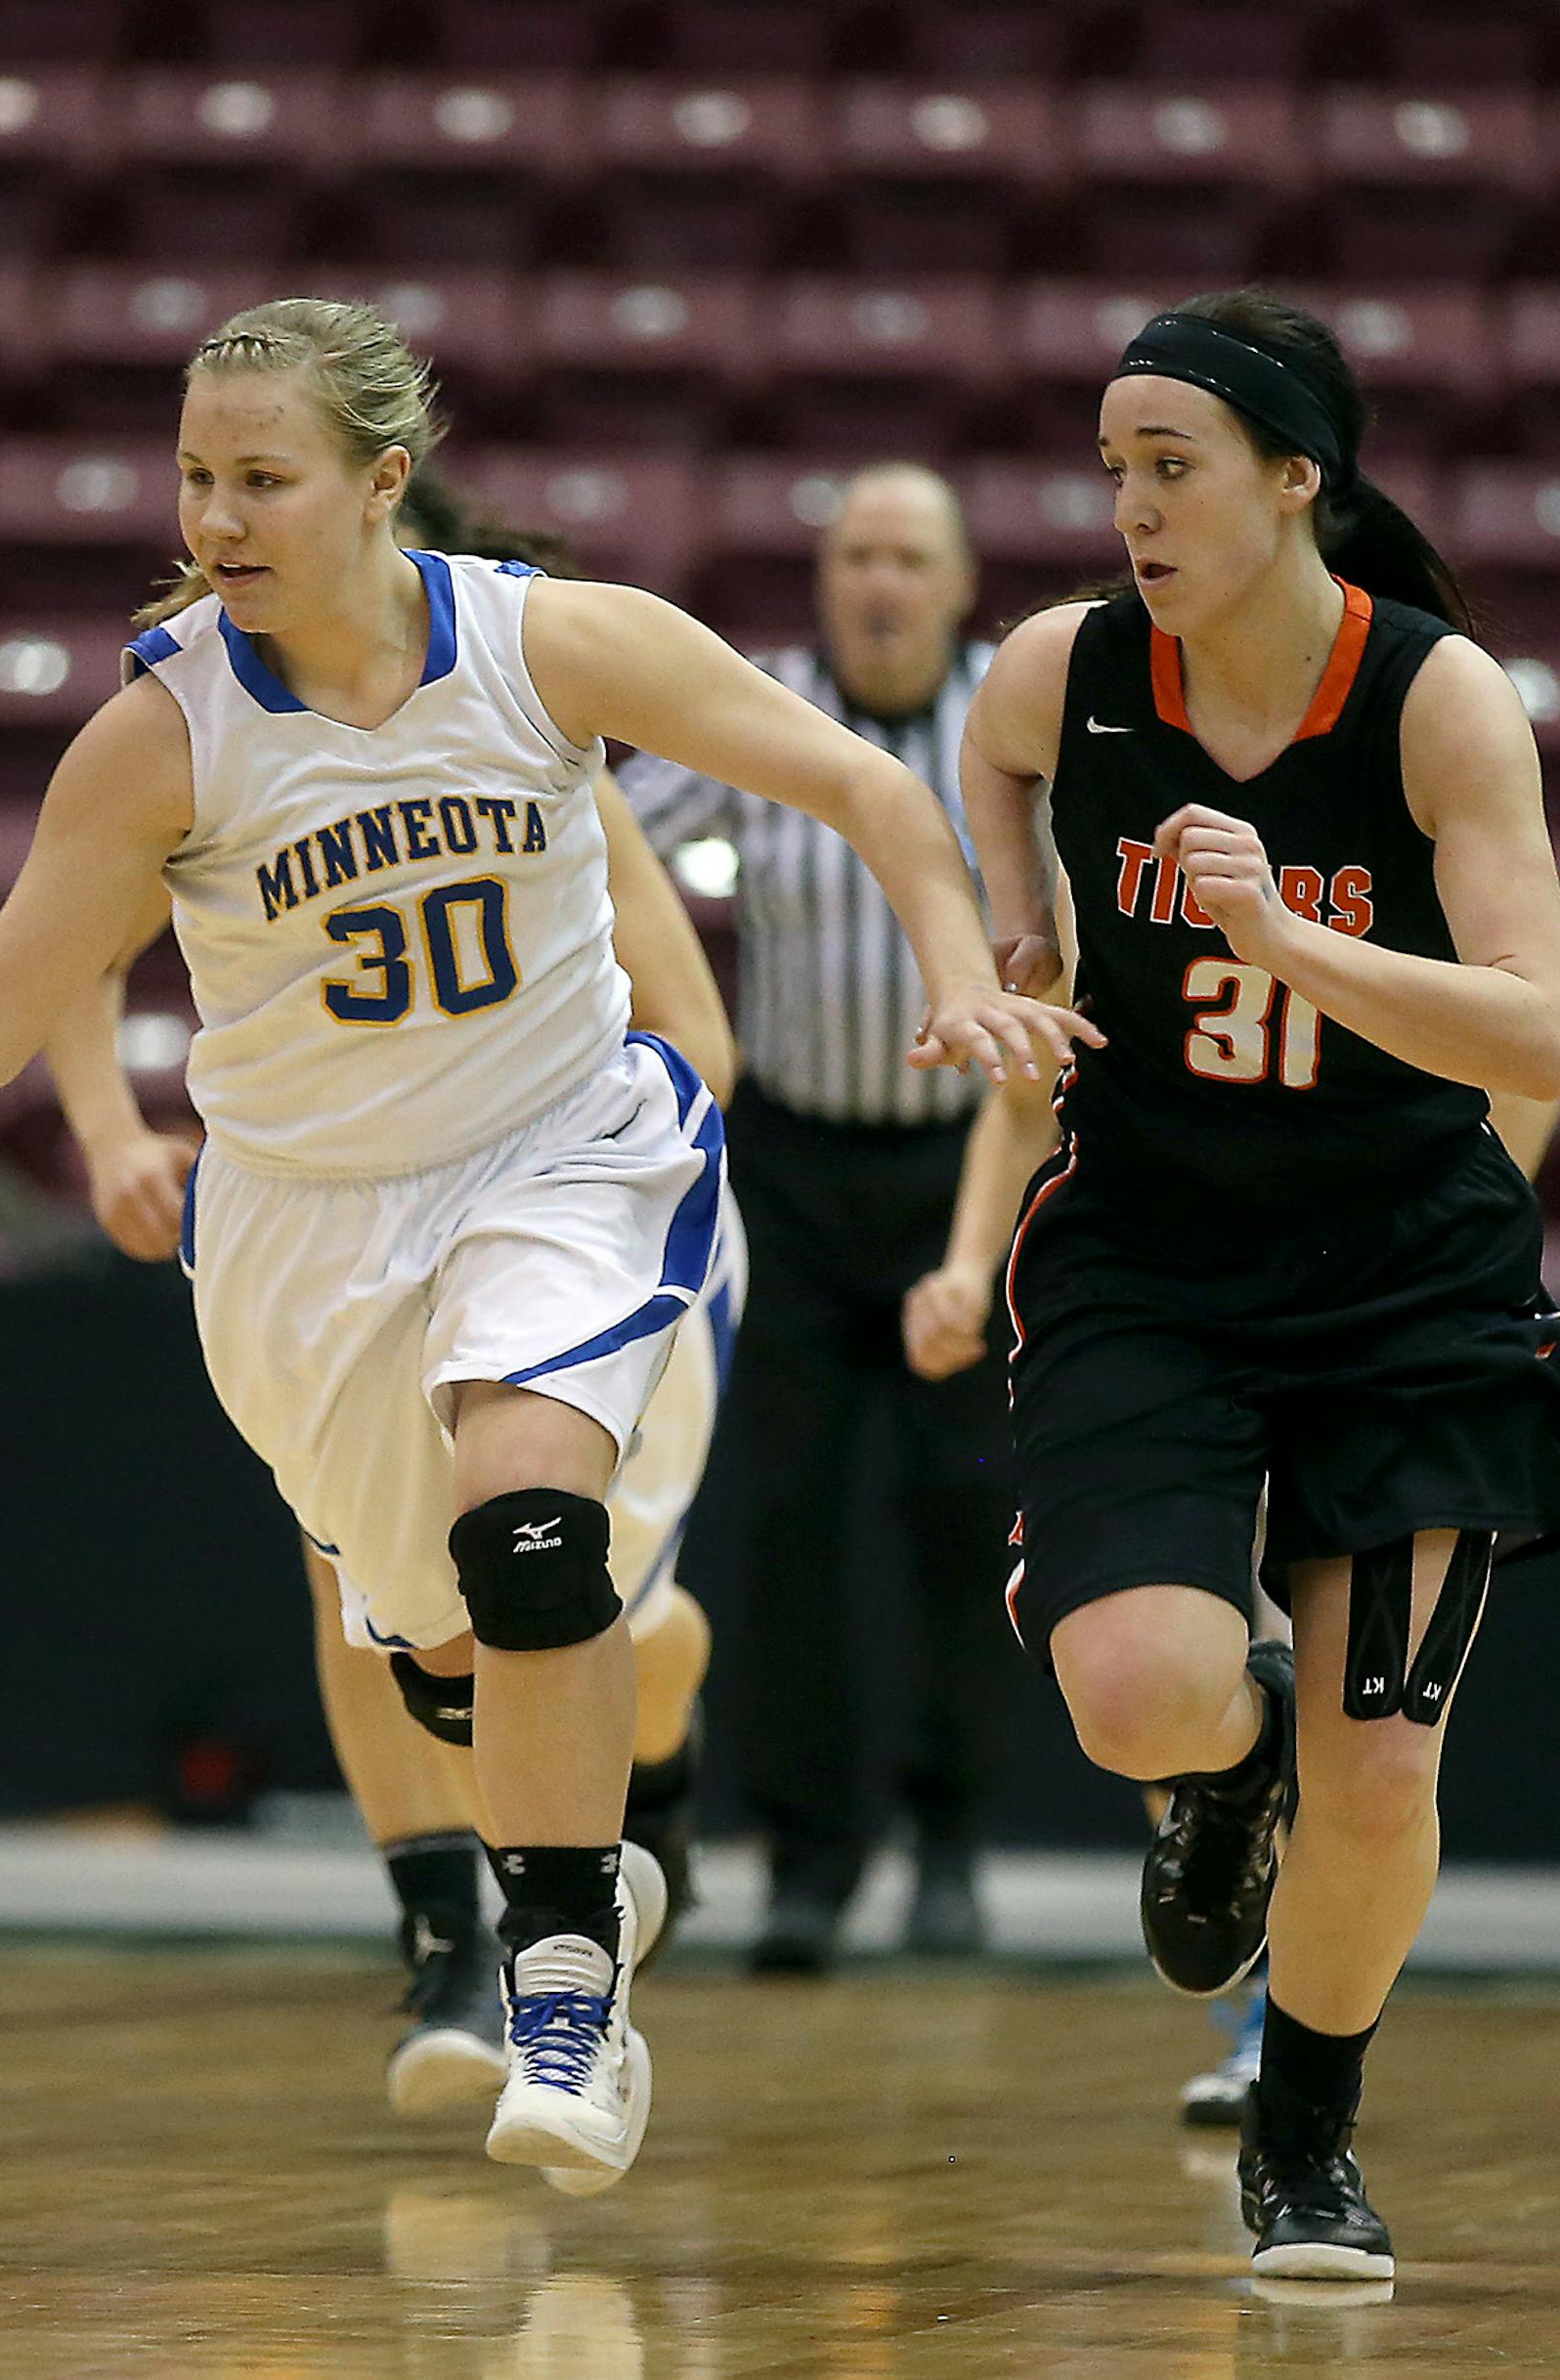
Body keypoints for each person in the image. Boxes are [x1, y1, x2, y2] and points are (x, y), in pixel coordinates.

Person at [0, 296, 1084, 2195]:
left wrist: (951, 966)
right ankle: (592, 1817)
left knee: (532, 1526)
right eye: (198, 475)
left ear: (380, 482)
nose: (222, 512)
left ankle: (564, 1982)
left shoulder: (544, 640)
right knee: (443, 1649)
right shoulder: (160, 733)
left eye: (264, 476)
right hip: (308, 1224)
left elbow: (861, 782)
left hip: (561, 1150)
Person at [955, 286, 1560, 2276]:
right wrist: (1015, 929)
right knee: (1140, 1690)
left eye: (1171, 463)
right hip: (1153, 1246)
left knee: (1381, 1764)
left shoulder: (1434, 694)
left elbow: (1541, 1034)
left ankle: (1307, 2129)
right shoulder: (1077, 666)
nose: (1128, 503)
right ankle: (1217, 1781)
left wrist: (1298, 942)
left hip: (1406, 1265)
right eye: (1114, 463)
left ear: (1297, 480)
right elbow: (991, 746)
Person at [46, 467, 747, 2107]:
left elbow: (699, 1037)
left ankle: (646, 1802)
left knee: (601, 1606)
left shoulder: (539, 741)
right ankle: (451, 1937)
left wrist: (553, 1163)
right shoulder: (200, 728)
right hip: (343, 1225)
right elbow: (63, 947)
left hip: (586, 1211)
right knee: (366, 1590)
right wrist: (108, 1132)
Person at [906, 916, 1558, 2132]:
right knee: (1163, 1672)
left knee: (1362, 1725)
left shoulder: (1434, 790)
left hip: (1386, 1295)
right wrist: (965, 1257)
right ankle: (1238, 1795)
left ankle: (1287, 2039)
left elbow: (1512, 1087)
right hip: (1172, 1302)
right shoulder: (1119, 801)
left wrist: (1457, 1264)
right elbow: (1035, 1076)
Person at [620, 462, 1019, 1971]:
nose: (880, 584)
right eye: (857, 555)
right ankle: (805, 1855)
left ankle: (952, 1839)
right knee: (783, 1527)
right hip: (788, 1168)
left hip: (966, 1168)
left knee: (961, 1515)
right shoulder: (766, 706)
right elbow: (600, 823)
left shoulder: (1013, 722)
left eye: (910, 557)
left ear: (960, 581)